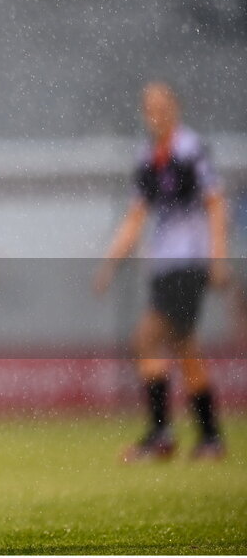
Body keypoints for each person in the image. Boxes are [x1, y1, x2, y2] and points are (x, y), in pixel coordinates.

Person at [95, 81, 229, 461]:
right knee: (185, 350)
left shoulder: (189, 150)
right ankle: (210, 439)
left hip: (188, 264)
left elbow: (216, 203)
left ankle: (160, 435)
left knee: (145, 340)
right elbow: (137, 216)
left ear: (175, 108)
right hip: (166, 265)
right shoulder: (149, 157)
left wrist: (218, 257)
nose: (155, 112)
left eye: (161, 105)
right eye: (149, 106)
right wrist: (111, 263)